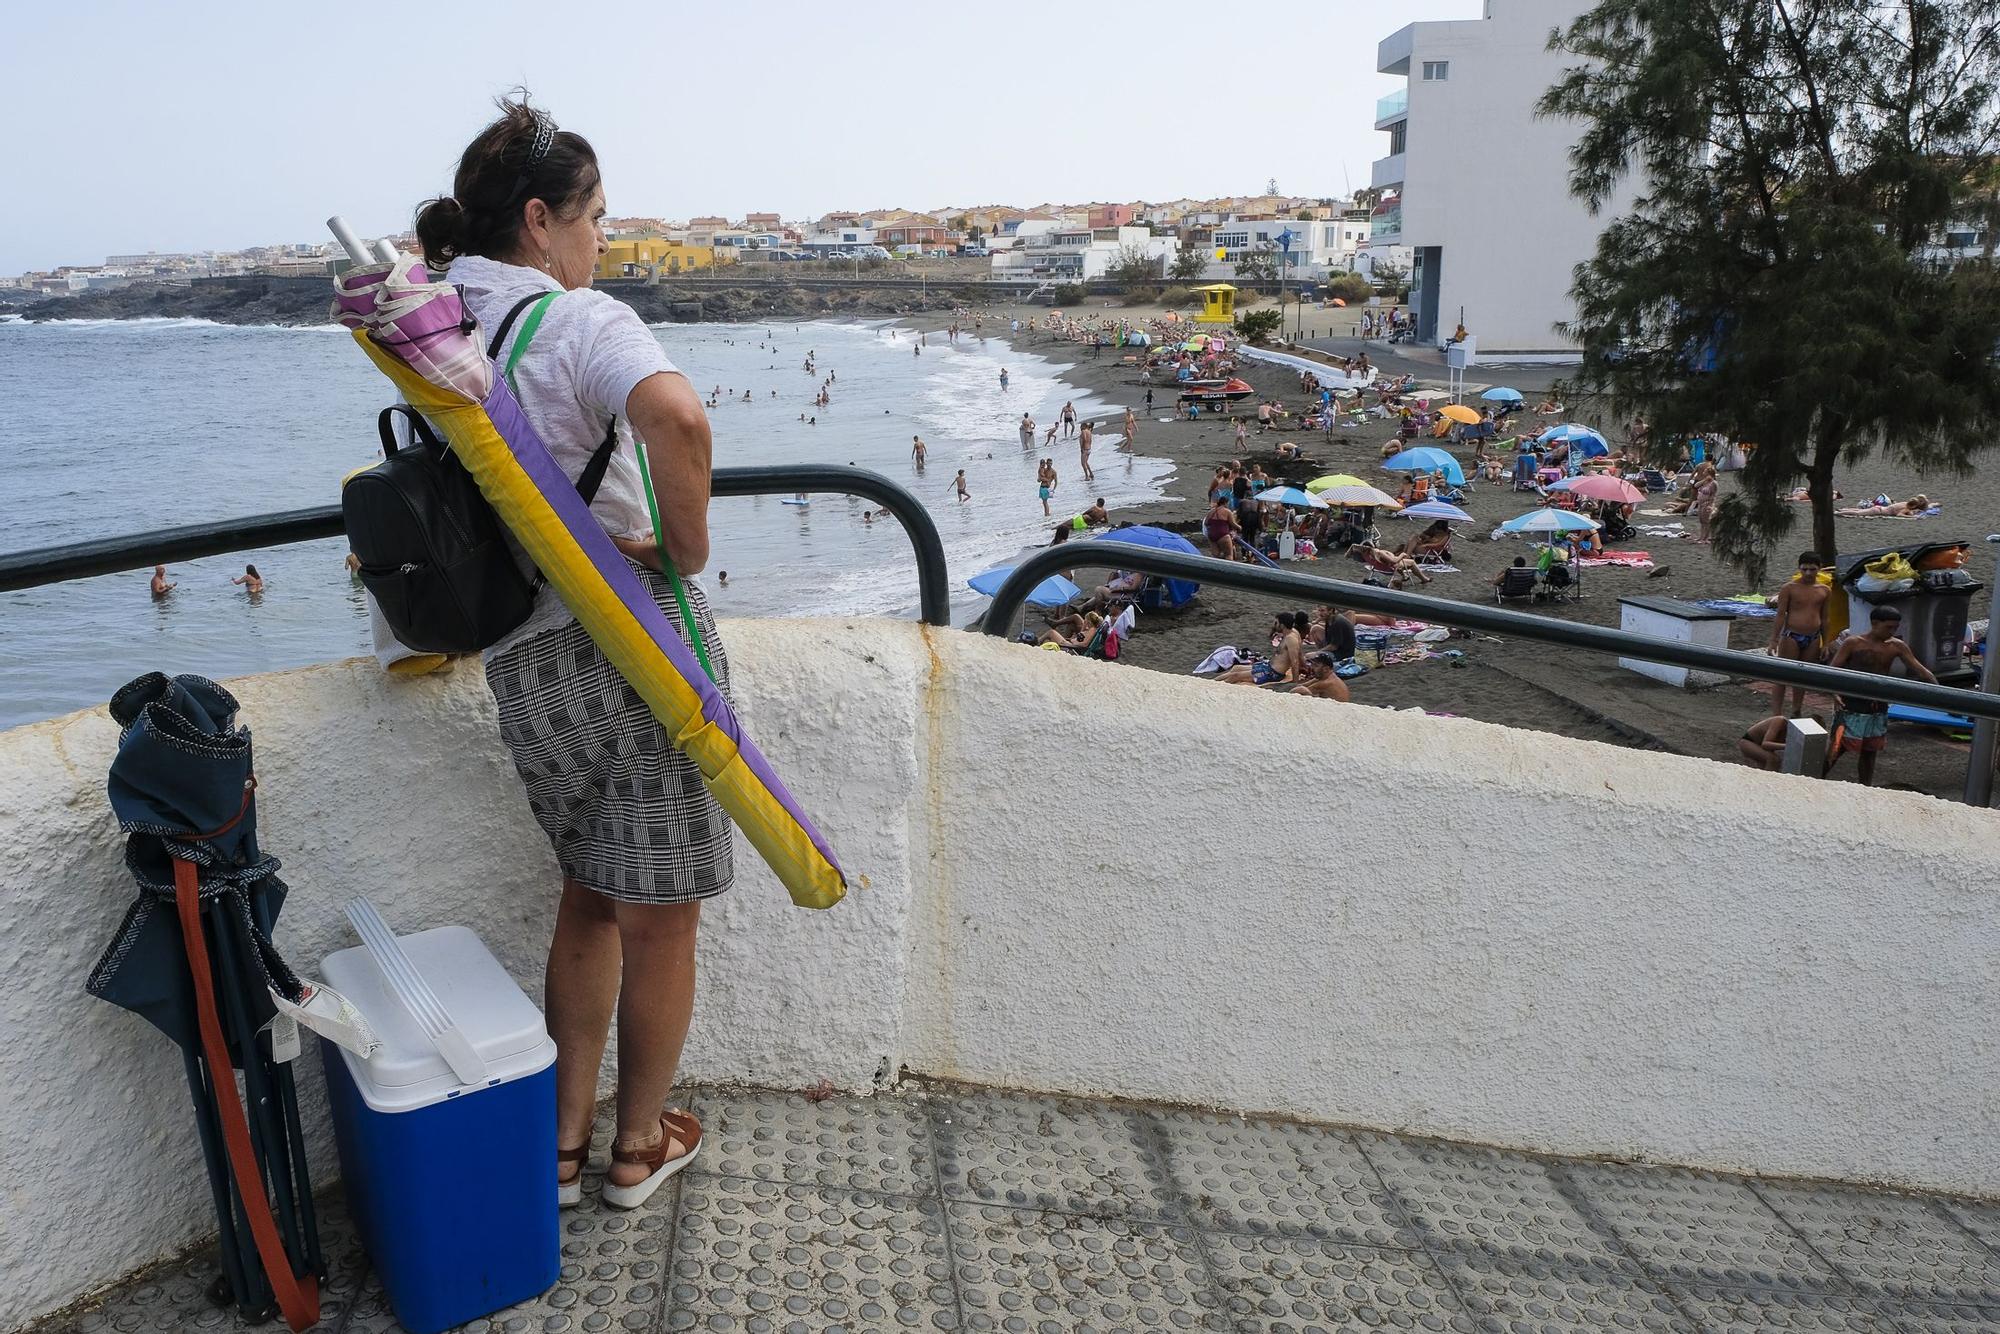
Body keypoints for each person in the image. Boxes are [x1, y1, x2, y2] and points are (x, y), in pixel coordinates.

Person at [414, 96, 723, 1209]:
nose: (603, 238)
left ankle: (555, 1147)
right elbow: (677, 419)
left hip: (522, 657)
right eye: (594, 216)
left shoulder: (443, 326)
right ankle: (637, 1148)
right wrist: (680, 550)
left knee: (588, 891)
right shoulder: (580, 323)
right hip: (629, 645)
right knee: (664, 909)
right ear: (540, 221)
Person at [1825, 605, 1938, 785]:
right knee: (1838, 747)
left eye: (1895, 628)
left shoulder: (1896, 646)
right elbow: (1832, 670)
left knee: (1870, 750)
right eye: (1889, 627)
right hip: (1851, 704)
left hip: (1877, 705)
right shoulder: (1853, 643)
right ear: (1875, 623)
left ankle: (1866, 788)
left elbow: (1920, 670)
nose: (1892, 631)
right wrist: (1835, 693)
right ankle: (1816, 778)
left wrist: (1940, 692)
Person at [1768, 551, 1832, 716]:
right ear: (1799, 569)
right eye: (1805, 569)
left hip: (1813, 636)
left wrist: (1825, 643)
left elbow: (1825, 618)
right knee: (1782, 675)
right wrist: (1774, 640)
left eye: (1812, 569)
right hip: (1792, 635)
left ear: (1820, 569)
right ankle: (1776, 713)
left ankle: (1797, 709)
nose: (1808, 573)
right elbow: (1781, 614)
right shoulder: (1789, 588)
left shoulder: (1824, 590)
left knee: (1802, 676)